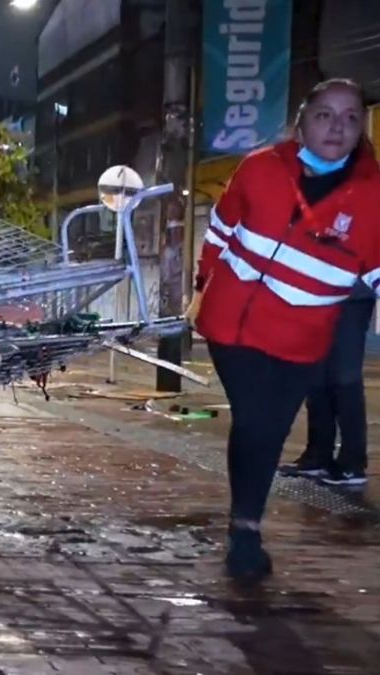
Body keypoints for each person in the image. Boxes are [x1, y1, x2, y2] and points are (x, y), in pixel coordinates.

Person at [187, 78, 380, 584]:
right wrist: (204, 281)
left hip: (303, 336)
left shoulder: (375, 198)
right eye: (324, 115)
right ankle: (246, 532)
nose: (337, 126)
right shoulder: (260, 168)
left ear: (363, 127)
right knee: (257, 420)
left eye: (350, 117)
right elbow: (222, 228)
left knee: (270, 427)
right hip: (234, 325)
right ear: (302, 121)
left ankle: (243, 522)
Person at [279, 281, 373, 486]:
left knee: (345, 376)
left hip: (351, 292)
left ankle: (352, 463)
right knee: (316, 373)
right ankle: (318, 455)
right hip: (320, 289)